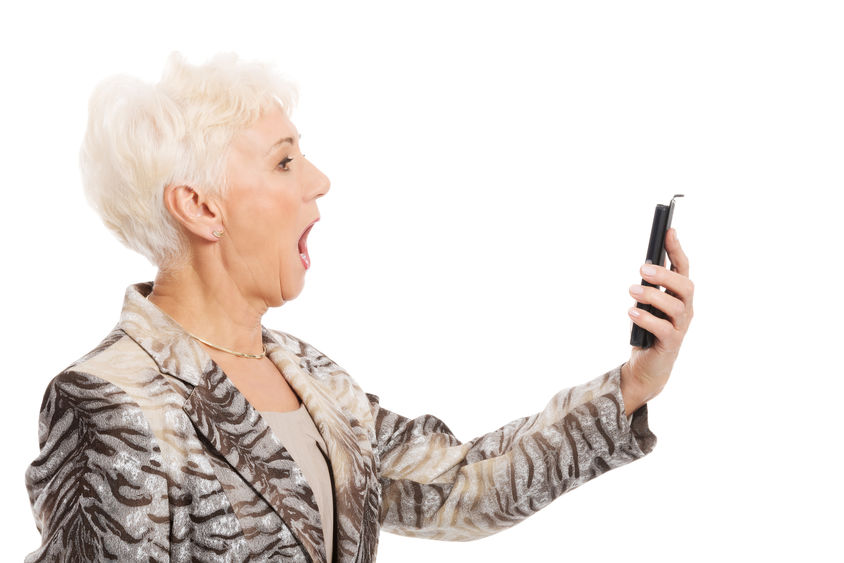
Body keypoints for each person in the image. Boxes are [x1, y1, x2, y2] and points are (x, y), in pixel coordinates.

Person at [24, 52, 694, 563]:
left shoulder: (317, 381)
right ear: (201, 206)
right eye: (285, 162)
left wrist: (635, 383)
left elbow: (463, 485)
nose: (319, 181)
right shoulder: (107, 402)